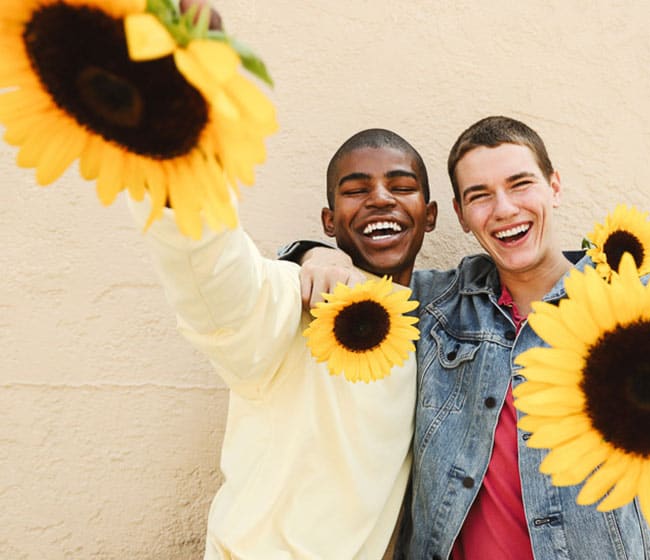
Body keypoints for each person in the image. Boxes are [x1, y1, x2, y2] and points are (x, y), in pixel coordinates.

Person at [296, 116, 650, 559]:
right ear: (458, 215)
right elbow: (360, 281)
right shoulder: (436, 305)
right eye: (480, 195)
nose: (504, 210)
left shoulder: (636, 302)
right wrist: (311, 251)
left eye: (520, 184)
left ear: (554, 187)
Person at [129, 128, 437, 559]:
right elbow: (217, 281)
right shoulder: (294, 296)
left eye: (402, 186)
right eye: (356, 190)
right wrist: (179, 177)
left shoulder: (443, 319)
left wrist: (309, 249)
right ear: (329, 222)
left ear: (430, 215)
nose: (382, 198)